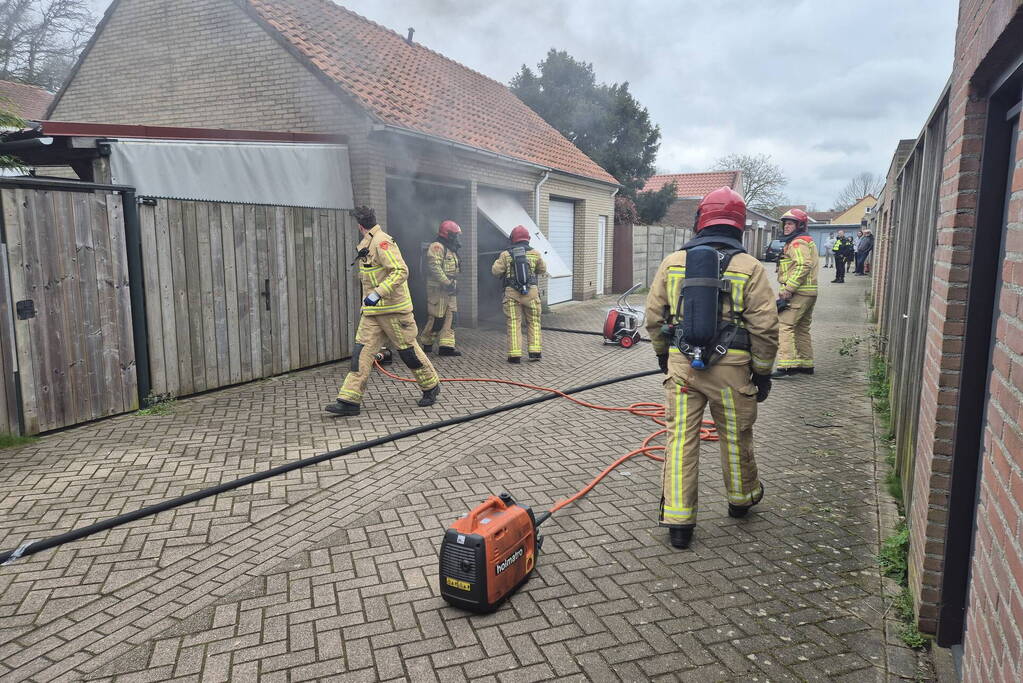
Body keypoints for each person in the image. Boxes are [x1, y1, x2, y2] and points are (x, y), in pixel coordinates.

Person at [645, 187, 779, 550]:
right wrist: (763, 372)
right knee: (735, 437)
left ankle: (678, 522)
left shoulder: (672, 262)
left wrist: (663, 355)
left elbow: (654, 317)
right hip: (733, 371)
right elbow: (765, 328)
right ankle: (741, 499)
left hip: (682, 367)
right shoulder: (750, 267)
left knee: (680, 441)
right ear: (739, 224)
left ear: (700, 221)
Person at [326, 206, 441, 416]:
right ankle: (349, 400)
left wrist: (378, 293)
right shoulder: (369, 243)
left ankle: (431, 386)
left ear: (360, 226)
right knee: (361, 354)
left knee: (408, 352)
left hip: (394, 312)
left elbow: (401, 270)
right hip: (373, 314)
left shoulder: (382, 242)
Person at [773, 208, 818, 377]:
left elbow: (803, 265)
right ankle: (806, 364)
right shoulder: (806, 241)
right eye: (785, 223)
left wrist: (788, 289)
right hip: (809, 292)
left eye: (790, 224)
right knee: (801, 328)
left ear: (799, 225)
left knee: (784, 326)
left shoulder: (797, 243)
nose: (786, 227)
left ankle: (787, 365)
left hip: (798, 292)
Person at [491, 225, 547, 363]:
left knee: (514, 323)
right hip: (531, 293)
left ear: (513, 239)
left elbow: (495, 271)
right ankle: (535, 352)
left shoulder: (505, 254)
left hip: (511, 294)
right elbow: (542, 269)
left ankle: (514, 355)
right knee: (533, 322)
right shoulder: (535, 253)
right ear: (527, 239)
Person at [419, 220, 463, 355]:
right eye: (455, 235)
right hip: (438, 289)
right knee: (437, 318)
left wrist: (451, 284)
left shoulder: (450, 248)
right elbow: (434, 267)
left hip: (449, 288)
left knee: (451, 316)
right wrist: (446, 283)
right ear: (448, 234)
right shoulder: (437, 247)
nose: (457, 238)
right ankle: (427, 341)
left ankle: (446, 347)